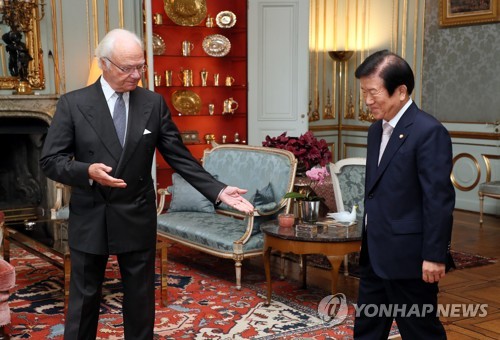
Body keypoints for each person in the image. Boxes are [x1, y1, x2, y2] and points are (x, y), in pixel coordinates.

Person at [39, 28, 253, 340]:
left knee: (140, 299)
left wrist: (218, 190)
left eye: (141, 66)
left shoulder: (153, 104)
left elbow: (180, 157)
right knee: (84, 299)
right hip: (91, 213)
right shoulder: (73, 104)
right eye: (128, 68)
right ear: (104, 64)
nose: (137, 75)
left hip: (136, 212)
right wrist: (87, 171)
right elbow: (50, 160)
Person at [353, 50, 455, 339]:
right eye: (364, 93)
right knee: (366, 330)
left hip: (410, 259)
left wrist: (435, 256)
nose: (367, 101)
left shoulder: (429, 131)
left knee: (421, 332)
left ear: (401, 91)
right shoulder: (376, 131)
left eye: (373, 93)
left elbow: (438, 200)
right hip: (374, 253)